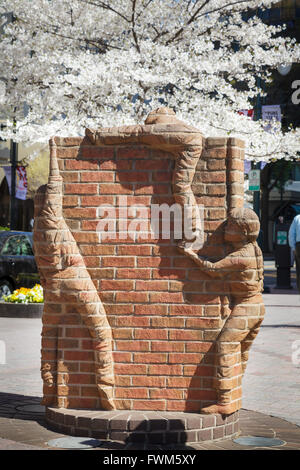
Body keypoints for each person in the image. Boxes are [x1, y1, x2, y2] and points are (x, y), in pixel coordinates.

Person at [181, 207, 265, 415]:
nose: (226, 228)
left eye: (231, 225)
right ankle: (234, 394)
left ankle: (226, 399)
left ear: (244, 232)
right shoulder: (254, 248)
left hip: (247, 307)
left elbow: (213, 270)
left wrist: (190, 254)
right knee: (241, 352)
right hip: (257, 306)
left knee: (225, 346)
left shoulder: (240, 257)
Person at [288, 214, 300, 293]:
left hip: (299, 245)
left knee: (299, 270)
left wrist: (293, 247)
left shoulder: (297, 218)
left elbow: (291, 234)